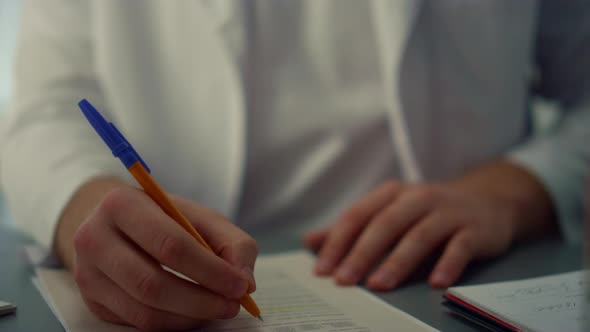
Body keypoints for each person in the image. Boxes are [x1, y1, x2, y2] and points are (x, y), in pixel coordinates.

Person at [2, 0, 589, 330]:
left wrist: (519, 190)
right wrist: (85, 204)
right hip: (183, 298)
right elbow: (39, 112)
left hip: (462, 280)